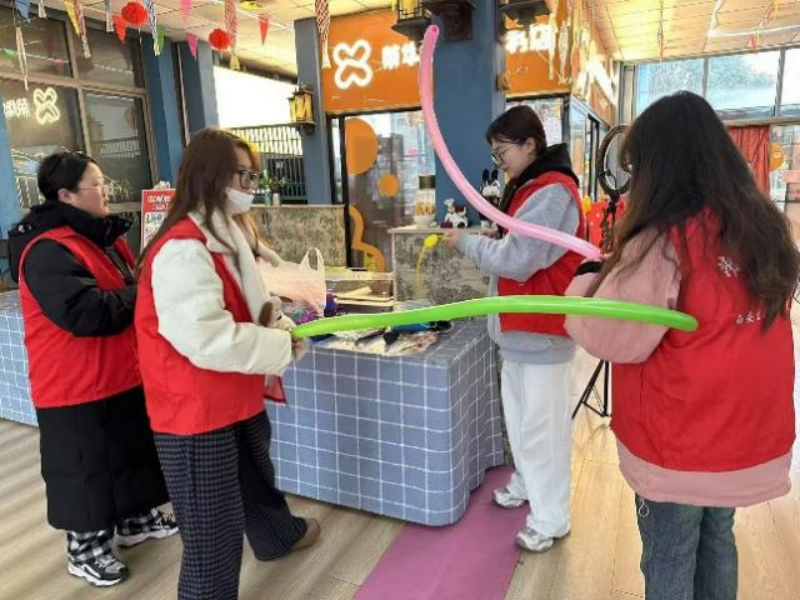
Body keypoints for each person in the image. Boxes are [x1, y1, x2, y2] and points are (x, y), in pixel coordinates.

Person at [565, 91, 799, 600]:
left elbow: (606, 332)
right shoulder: (763, 228)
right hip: (743, 434)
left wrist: (587, 276)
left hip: (680, 442)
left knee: (670, 555)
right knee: (717, 539)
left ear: (658, 166)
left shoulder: (664, 241)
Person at [135, 128, 320, 600]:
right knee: (212, 530)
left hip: (234, 391)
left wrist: (282, 328)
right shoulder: (182, 247)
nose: (251, 185)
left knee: (256, 479)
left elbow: (252, 303)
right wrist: (278, 345)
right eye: (244, 175)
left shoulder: (226, 231)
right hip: (194, 408)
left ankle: (277, 536)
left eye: (253, 176)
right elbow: (205, 337)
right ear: (211, 174)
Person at [10, 150, 177, 588]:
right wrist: (145, 291)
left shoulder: (101, 237)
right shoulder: (47, 249)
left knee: (129, 454)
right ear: (66, 195)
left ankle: (136, 521)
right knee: (87, 470)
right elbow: (87, 313)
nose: (107, 191)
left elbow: (129, 285)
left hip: (121, 372)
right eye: (97, 185)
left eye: (106, 182)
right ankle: (84, 550)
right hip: (73, 385)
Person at [444, 105, 584, 552]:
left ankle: (551, 517)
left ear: (530, 144)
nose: (499, 160)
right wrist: (493, 243)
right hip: (519, 333)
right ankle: (527, 484)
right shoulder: (528, 189)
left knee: (544, 432)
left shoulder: (553, 191)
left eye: (502, 150)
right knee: (522, 425)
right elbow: (519, 248)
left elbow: (519, 260)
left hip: (542, 332)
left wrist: (468, 244)